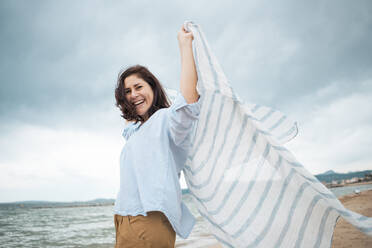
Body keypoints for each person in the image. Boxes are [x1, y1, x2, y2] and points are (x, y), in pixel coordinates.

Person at [113, 24, 200, 248]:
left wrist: (185, 45)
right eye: (127, 91)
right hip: (124, 219)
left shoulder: (167, 120)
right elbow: (129, 117)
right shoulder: (136, 130)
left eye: (138, 87)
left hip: (146, 221)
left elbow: (189, 100)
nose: (133, 95)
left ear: (153, 86)